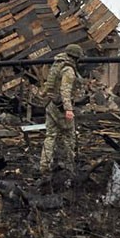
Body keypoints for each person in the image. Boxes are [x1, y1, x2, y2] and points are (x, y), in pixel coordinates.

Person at [39, 43, 84, 175]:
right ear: (76, 57)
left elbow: (48, 84)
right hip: (60, 107)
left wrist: (43, 95)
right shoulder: (68, 70)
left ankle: (44, 166)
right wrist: (68, 109)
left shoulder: (56, 65)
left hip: (50, 104)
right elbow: (65, 90)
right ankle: (70, 167)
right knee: (69, 137)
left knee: (50, 136)